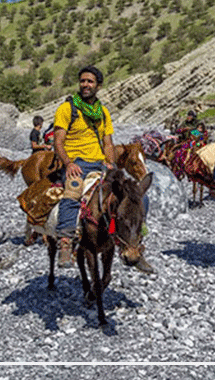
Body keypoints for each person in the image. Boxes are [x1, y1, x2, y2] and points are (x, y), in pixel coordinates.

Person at [53, 65, 153, 273]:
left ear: (98, 86)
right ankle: (65, 241)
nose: (86, 85)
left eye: (90, 82)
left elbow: (108, 143)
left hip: (100, 163)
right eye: (83, 81)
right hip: (76, 162)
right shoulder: (67, 109)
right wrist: (68, 163)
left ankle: (135, 244)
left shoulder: (102, 112)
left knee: (138, 196)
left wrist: (110, 164)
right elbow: (58, 141)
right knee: (73, 189)